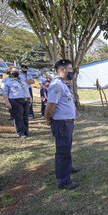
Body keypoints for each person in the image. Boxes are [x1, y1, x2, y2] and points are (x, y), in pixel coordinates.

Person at [45, 59, 80, 190]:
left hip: (67, 123)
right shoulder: (57, 85)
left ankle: (68, 168)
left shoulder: (63, 84)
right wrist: (48, 119)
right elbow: (50, 107)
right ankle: (63, 181)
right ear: (62, 70)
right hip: (61, 123)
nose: (72, 72)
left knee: (67, 148)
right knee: (62, 152)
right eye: (70, 69)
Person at [0, 65, 32, 137]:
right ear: (10, 72)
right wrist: (7, 102)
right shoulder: (6, 81)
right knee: (18, 117)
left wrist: (30, 97)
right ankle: (20, 132)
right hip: (15, 100)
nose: (17, 72)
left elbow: (26, 88)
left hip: (25, 100)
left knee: (25, 116)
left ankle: (26, 131)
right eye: (15, 71)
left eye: (17, 71)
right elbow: (4, 92)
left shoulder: (21, 79)